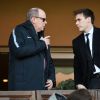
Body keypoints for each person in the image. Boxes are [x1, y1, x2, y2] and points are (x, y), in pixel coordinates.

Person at [8, 8, 56, 90]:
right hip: (23, 91)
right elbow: (18, 51)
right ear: (33, 19)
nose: (46, 22)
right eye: (43, 19)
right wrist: (42, 44)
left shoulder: (42, 38)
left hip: (41, 90)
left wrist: (51, 79)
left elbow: (49, 61)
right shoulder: (18, 30)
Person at [72, 8, 100, 89]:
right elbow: (77, 65)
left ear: (88, 19)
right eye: (76, 21)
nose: (76, 23)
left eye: (79, 20)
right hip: (91, 81)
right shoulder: (76, 42)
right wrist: (78, 84)